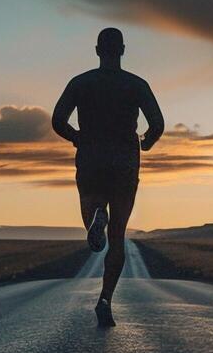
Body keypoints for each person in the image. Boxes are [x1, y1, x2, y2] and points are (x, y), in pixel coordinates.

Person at [52, 27, 164, 327]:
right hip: (125, 161)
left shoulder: (81, 83)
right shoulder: (136, 84)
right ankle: (105, 299)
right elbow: (158, 123)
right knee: (117, 238)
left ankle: (96, 213)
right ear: (123, 50)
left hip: (90, 156)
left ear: (98, 50)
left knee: (90, 205)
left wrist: (76, 136)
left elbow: (57, 120)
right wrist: (147, 141)